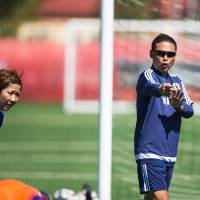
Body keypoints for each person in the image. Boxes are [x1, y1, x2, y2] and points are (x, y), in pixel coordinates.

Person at [134, 33, 194, 200]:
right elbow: (149, 87)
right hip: (149, 150)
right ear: (151, 54)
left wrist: (178, 106)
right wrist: (162, 90)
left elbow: (189, 110)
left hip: (169, 151)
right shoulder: (146, 76)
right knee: (161, 197)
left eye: (170, 54)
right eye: (161, 53)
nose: (165, 58)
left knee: (152, 198)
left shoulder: (178, 81)